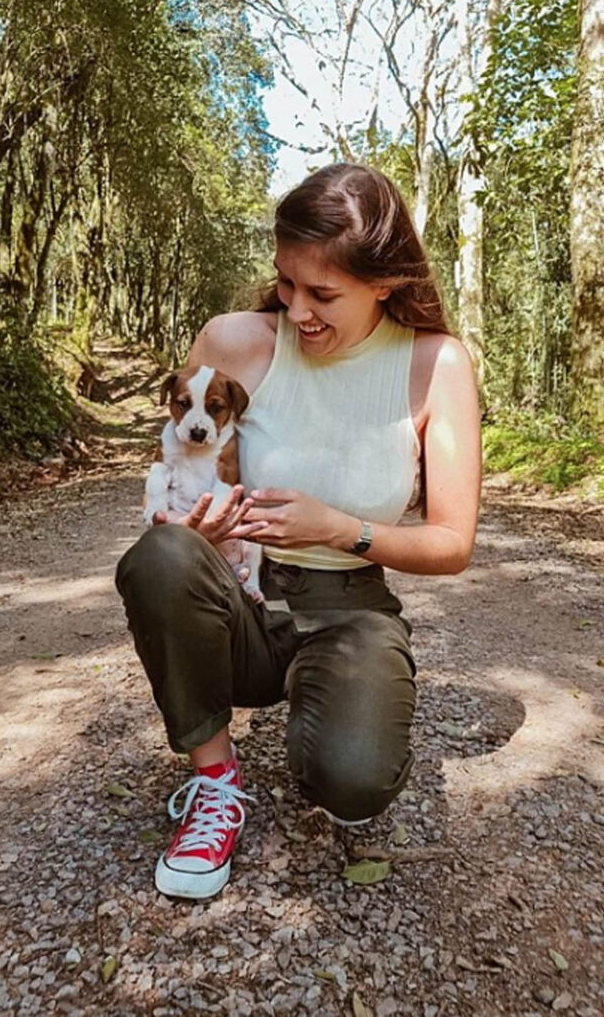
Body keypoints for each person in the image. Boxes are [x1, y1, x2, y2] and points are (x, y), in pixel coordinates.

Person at [115, 163, 481, 900]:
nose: (298, 309)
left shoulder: (435, 364)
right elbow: (181, 458)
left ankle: (326, 717)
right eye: (287, 284)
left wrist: (345, 528)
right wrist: (194, 523)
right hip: (243, 598)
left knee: (353, 783)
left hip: (350, 608)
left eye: (323, 294)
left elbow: (452, 543)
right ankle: (216, 781)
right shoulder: (232, 341)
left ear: (384, 281)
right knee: (160, 557)